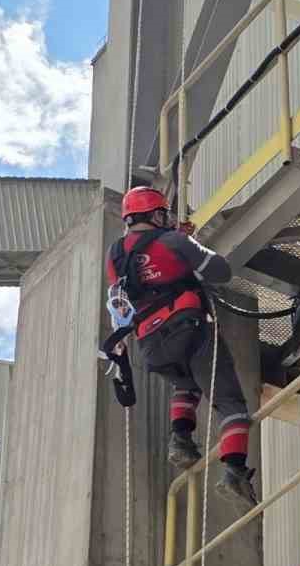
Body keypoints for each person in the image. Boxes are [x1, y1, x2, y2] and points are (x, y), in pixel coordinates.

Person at [103, 186, 257, 508]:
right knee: (230, 402)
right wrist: (188, 245)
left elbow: (135, 286)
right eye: (163, 214)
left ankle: (181, 440)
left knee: (186, 385)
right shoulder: (174, 241)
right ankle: (235, 472)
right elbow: (221, 271)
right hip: (189, 328)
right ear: (155, 214)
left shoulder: (115, 254)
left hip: (150, 344)